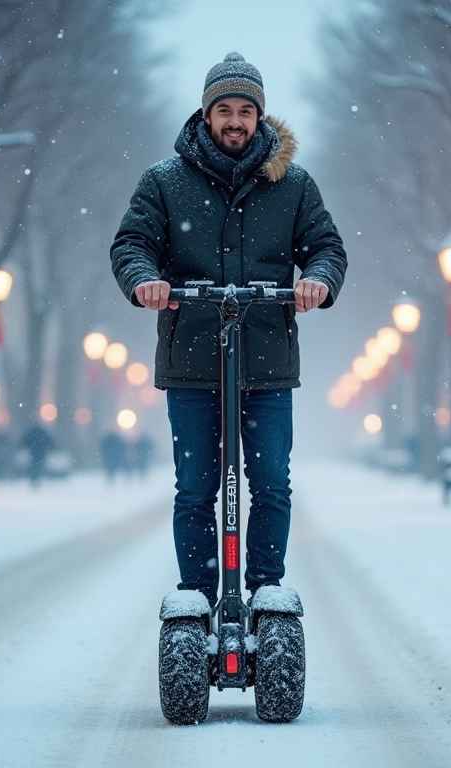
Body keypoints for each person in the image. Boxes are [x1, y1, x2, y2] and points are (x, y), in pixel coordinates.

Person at [110, 53, 347, 607]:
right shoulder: (165, 182)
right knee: (195, 490)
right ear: (206, 113)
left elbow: (327, 248)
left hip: (265, 362)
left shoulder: (293, 184)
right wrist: (146, 280)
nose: (235, 120)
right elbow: (132, 245)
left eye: (246, 110)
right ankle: (198, 597)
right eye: (224, 109)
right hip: (191, 359)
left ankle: (265, 591)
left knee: (271, 486)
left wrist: (317, 279)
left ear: (260, 118)